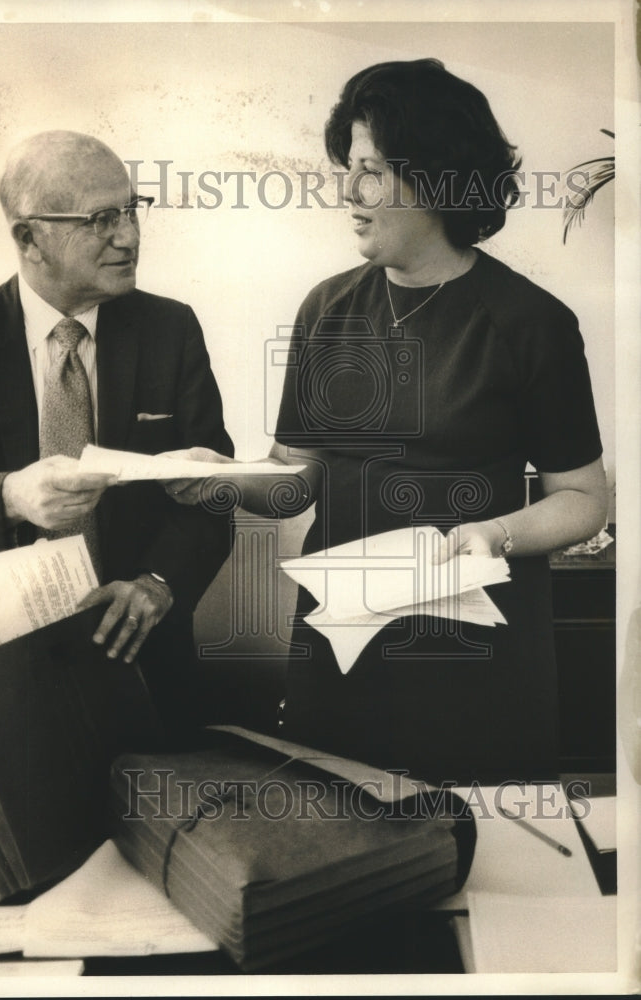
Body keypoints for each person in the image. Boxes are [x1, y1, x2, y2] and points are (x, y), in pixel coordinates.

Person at [162, 59, 608, 784]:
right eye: (349, 169)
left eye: (369, 171)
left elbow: (585, 500)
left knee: (478, 838)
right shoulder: (327, 308)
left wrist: (494, 533)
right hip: (342, 647)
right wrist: (222, 479)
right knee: (339, 831)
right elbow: (295, 481)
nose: (349, 192)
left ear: (432, 179)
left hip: (473, 651)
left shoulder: (533, 324)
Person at [0, 130, 234, 728]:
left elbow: (214, 495)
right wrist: (9, 494)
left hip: (147, 664)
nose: (129, 236)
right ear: (28, 237)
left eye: (131, 210)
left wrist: (157, 583)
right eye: (101, 219)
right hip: (1, 676)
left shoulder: (170, 330)